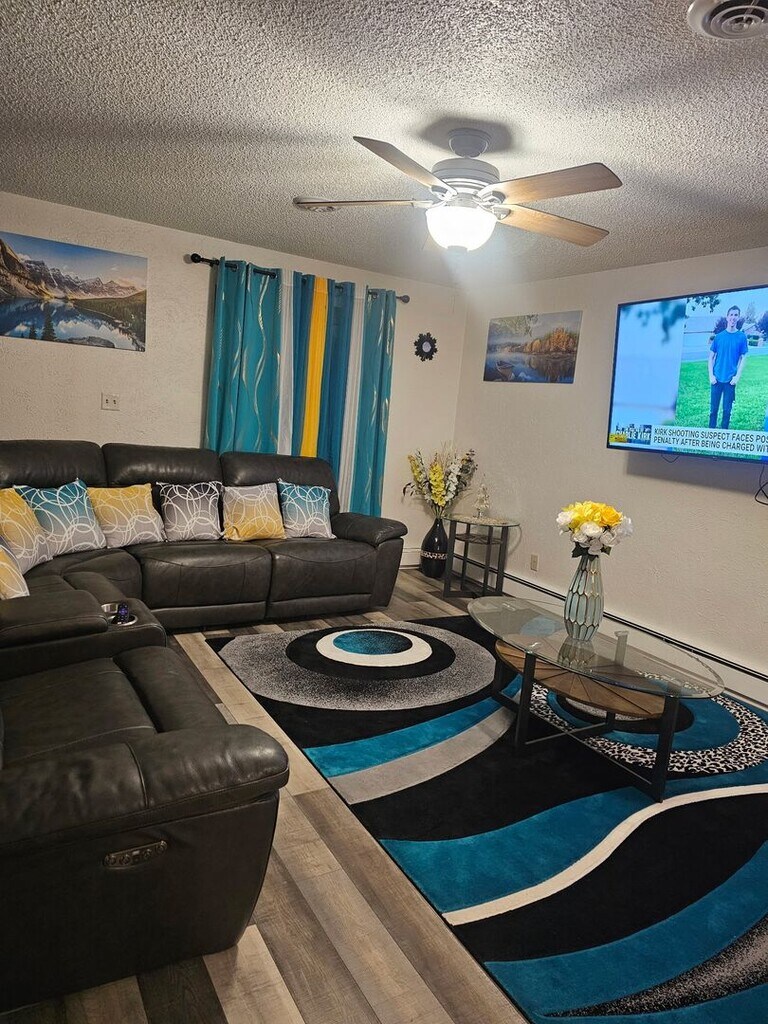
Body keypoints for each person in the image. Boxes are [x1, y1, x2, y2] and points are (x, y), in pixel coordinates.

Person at [708, 305, 748, 429]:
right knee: (713, 410)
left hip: (730, 380)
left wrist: (737, 377)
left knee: (727, 411)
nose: (733, 317)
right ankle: (711, 432)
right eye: (731, 315)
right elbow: (711, 357)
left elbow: (743, 358)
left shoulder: (741, 337)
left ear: (738, 317)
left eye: (736, 315)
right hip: (716, 379)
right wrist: (711, 375)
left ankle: (724, 434)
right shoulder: (719, 337)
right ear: (727, 317)